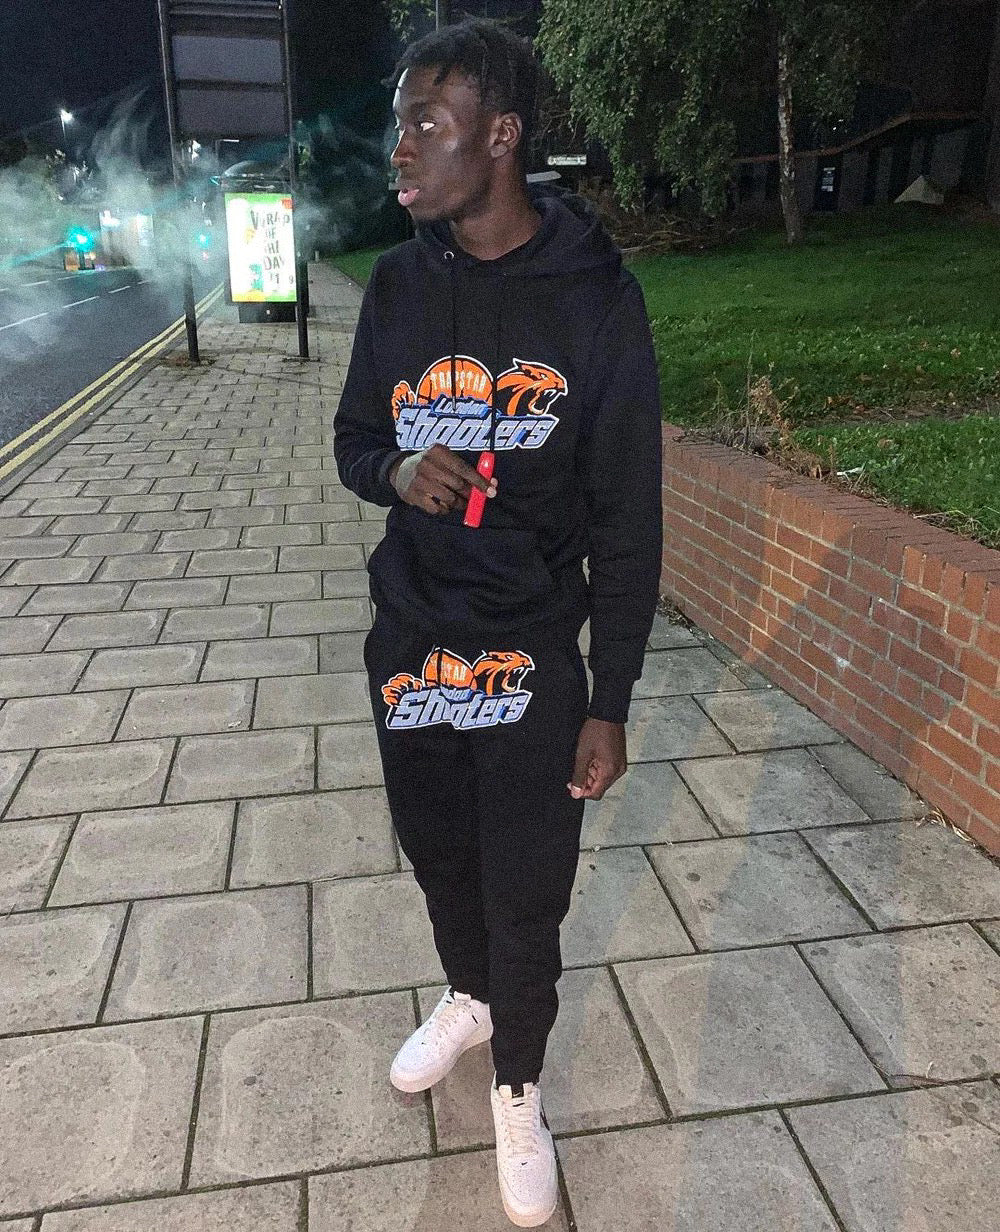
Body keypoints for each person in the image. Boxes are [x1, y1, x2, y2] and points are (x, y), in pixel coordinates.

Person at [333, 17, 662, 1227]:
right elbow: (353, 437)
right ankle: (469, 995)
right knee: (441, 855)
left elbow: (628, 519)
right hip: (410, 642)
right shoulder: (397, 284)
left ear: (502, 136)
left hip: (528, 651)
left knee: (526, 885)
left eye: (426, 123)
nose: (400, 148)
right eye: (399, 125)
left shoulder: (597, 302)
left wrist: (610, 696)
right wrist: (395, 468)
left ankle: (517, 1078)